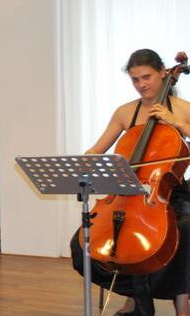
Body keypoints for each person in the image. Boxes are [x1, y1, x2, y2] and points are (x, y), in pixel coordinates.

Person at [69, 48, 190, 316]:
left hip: (170, 192)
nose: (141, 85)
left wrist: (177, 124)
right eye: (135, 79)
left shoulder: (183, 110)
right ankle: (134, 297)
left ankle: (183, 305)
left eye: (146, 77)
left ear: (162, 73)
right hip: (128, 191)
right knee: (83, 245)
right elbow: (97, 149)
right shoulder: (125, 113)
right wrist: (82, 163)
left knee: (185, 234)